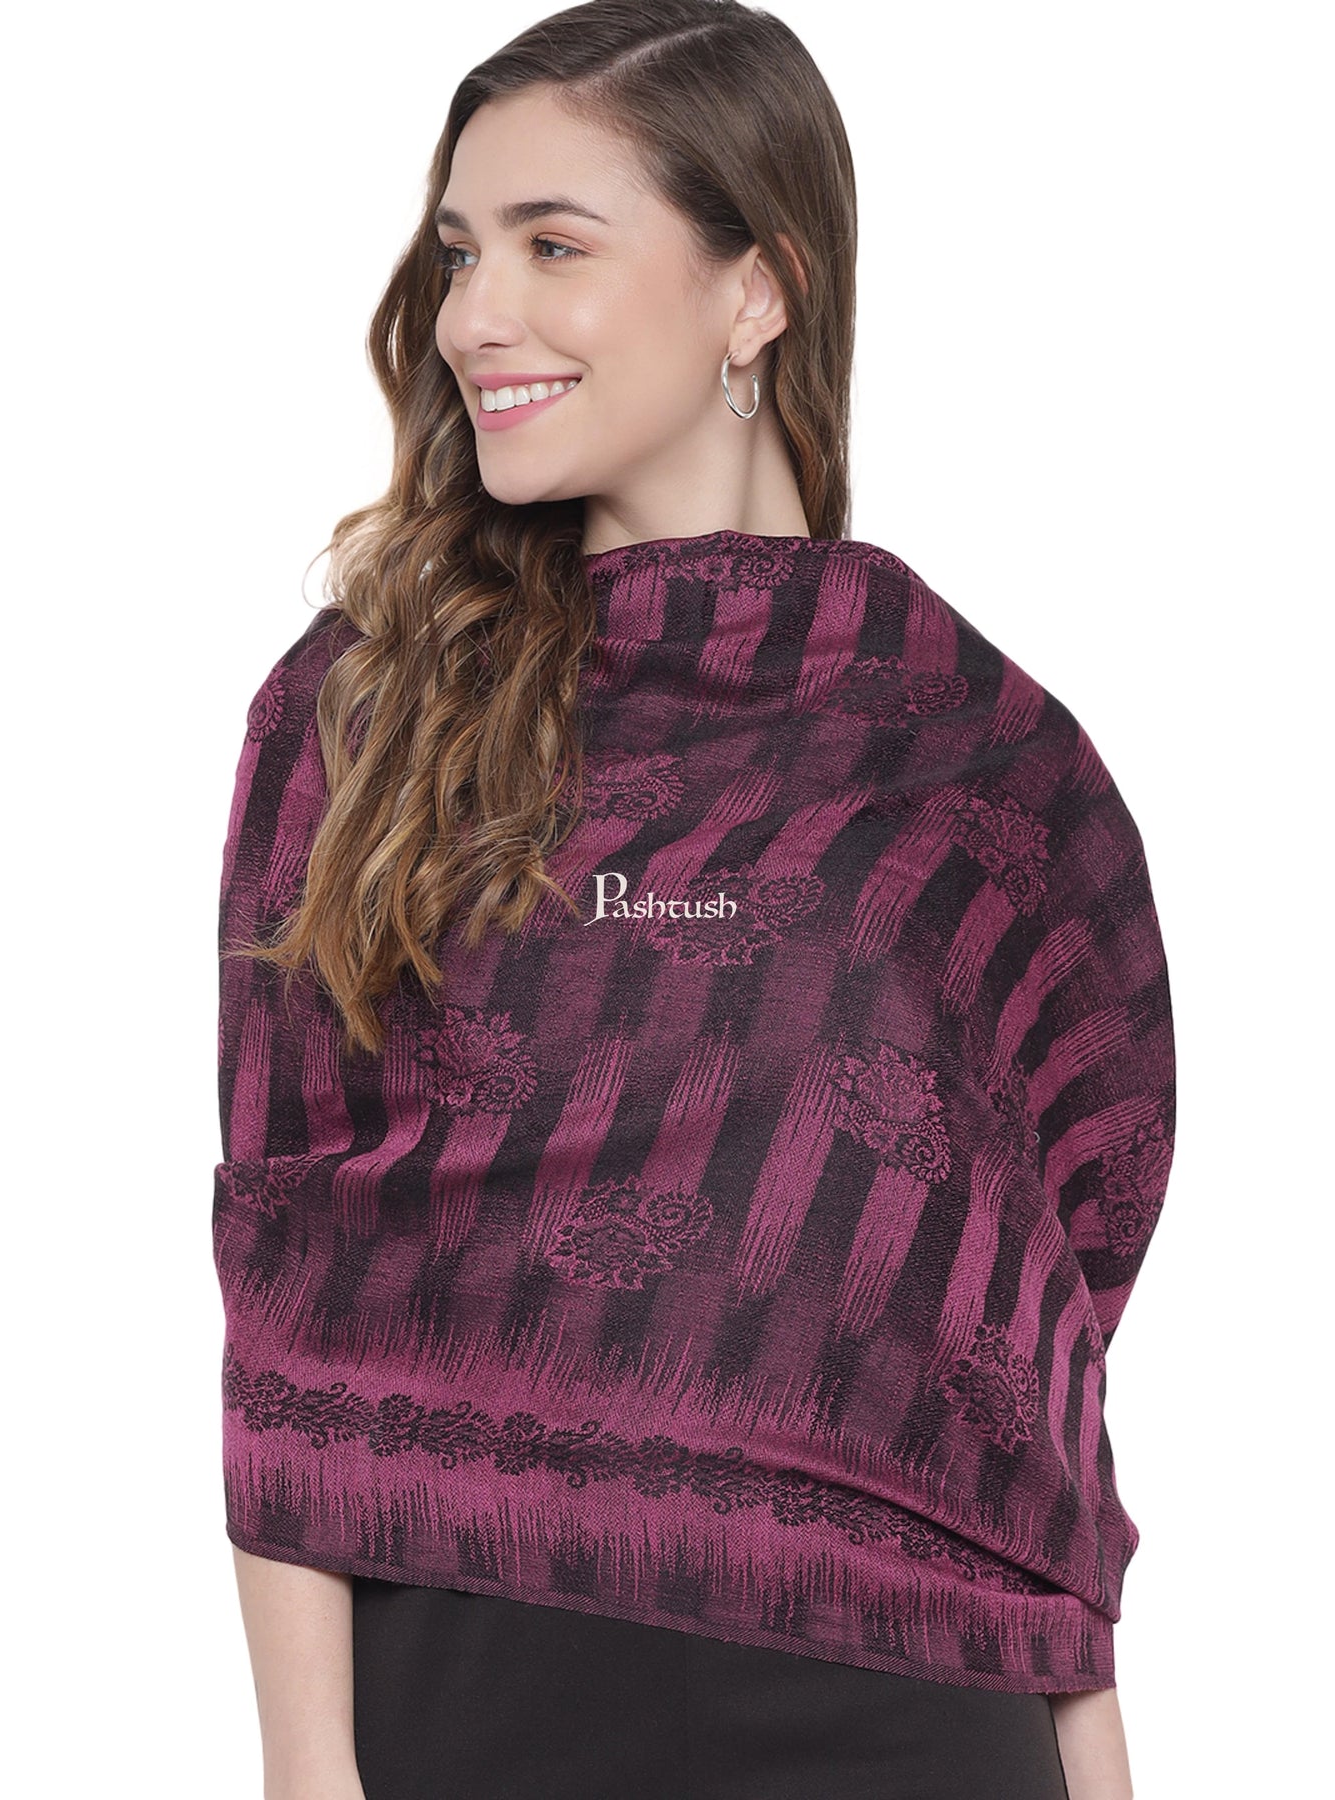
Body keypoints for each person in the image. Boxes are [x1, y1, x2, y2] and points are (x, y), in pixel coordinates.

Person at [212, 3, 1175, 1797]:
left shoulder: (981, 761)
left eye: (552, 245)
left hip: (908, 1707)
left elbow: (1036, 1337)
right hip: (480, 1685)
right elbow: (284, 1270)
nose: (472, 315)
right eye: (459, 252)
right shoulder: (363, 711)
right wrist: (304, 1768)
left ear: (758, 290)